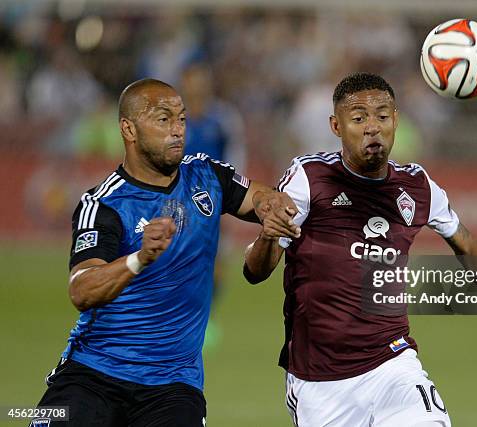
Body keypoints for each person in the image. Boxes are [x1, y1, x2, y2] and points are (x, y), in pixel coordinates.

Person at [243, 72, 477, 427]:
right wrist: (269, 237)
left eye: (382, 116)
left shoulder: (417, 185)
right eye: (359, 118)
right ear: (336, 126)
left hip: (393, 365)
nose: (372, 128)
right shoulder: (309, 178)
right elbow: (255, 272)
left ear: (396, 120)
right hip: (320, 382)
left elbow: (468, 244)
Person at [34, 78, 299, 427]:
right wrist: (139, 258)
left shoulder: (206, 175)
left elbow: (257, 197)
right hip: (93, 374)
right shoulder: (103, 205)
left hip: (174, 386)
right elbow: (81, 290)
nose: (177, 130)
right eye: (163, 119)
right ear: (129, 129)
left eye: (181, 119)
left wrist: (272, 204)